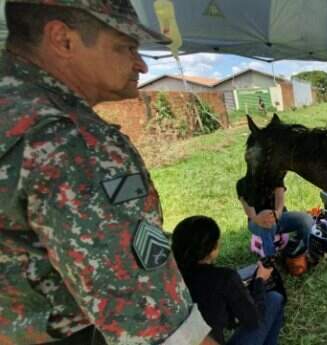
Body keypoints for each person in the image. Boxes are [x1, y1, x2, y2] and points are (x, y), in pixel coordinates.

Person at [0, 2, 216, 344]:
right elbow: (152, 320)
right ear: (63, 39)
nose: (141, 63)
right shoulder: (69, 140)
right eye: (125, 46)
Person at [172, 216, 285, 345]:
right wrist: (260, 280)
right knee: (275, 299)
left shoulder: (169, 277)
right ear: (213, 248)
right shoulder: (224, 278)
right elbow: (254, 320)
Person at [236, 175, 313, 260]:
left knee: (306, 219)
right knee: (268, 227)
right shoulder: (242, 183)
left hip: (280, 216)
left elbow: (280, 200)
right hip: (255, 221)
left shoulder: (275, 177)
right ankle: (270, 261)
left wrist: (276, 214)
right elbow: (248, 209)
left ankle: (309, 252)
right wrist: (258, 219)